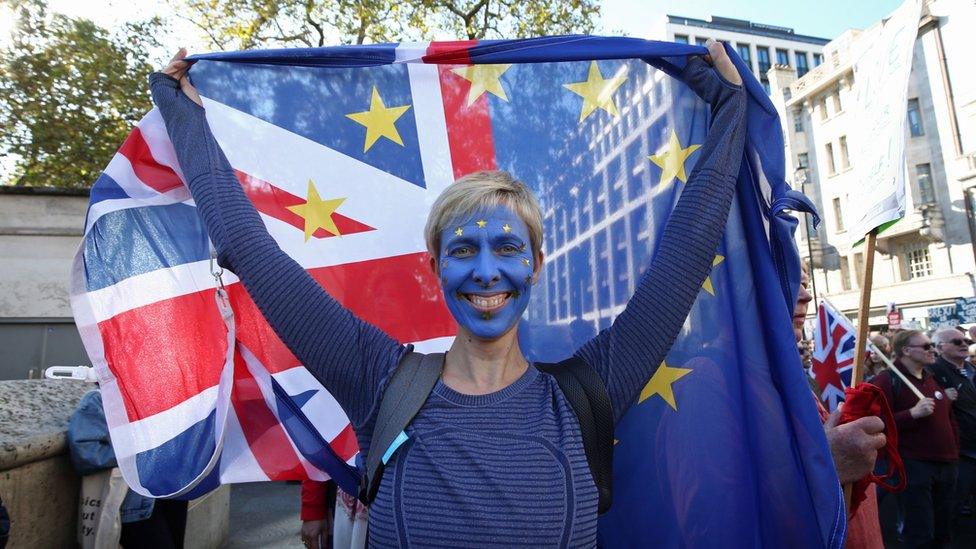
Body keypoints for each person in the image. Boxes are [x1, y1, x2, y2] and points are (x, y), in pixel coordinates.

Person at [151, 40, 745, 546]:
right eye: (463, 251)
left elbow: (686, 253)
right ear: (435, 266)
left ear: (536, 264)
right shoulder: (379, 380)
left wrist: (730, 108)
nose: (487, 272)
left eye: (508, 249)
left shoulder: (591, 393)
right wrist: (183, 115)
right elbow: (251, 253)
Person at [793, 264, 885, 547]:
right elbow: (715, 522)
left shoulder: (785, 375)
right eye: (784, 274)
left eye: (805, 282)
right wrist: (825, 467)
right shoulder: (711, 382)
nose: (806, 296)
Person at [871, 330, 959, 548]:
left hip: (946, 463)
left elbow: (949, 418)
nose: (932, 350)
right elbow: (874, 422)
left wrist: (954, 449)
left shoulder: (932, 377)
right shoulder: (886, 381)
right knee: (919, 530)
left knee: (943, 527)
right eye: (926, 346)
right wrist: (910, 414)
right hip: (914, 464)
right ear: (906, 351)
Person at [68, 390, 188, 549]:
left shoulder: (157, 393)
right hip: (136, 506)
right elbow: (86, 454)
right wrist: (140, 454)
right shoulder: (100, 398)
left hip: (172, 496)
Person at [930, 328, 976, 532]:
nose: (964, 344)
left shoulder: (971, 369)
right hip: (959, 450)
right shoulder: (933, 372)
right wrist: (942, 398)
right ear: (940, 347)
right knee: (952, 506)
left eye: (965, 340)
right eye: (956, 342)